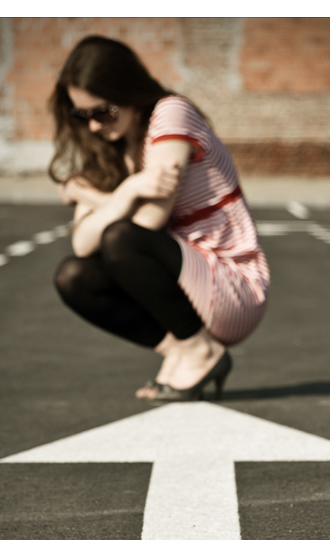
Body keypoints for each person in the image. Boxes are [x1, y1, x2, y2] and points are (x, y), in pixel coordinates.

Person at [49, 35, 270, 401]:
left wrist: (89, 195)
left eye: (102, 112)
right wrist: (128, 190)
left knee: (121, 238)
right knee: (74, 277)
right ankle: (182, 350)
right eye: (82, 115)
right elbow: (82, 243)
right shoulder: (111, 151)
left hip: (234, 287)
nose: (92, 126)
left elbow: (147, 223)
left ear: (130, 93)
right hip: (189, 282)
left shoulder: (171, 114)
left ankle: (201, 351)